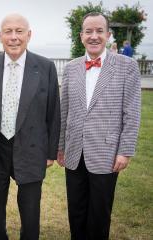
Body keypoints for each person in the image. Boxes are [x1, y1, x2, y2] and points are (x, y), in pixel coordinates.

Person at [0, 13, 60, 240]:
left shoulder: (46, 67)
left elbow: (53, 112)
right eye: (8, 32)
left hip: (31, 148)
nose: (13, 37)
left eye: (19, 31)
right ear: (0, 36)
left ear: (28, 35)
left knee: (31, 212)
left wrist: (50, 152)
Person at [57, 12, 141, 240]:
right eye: (89, 31)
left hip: (107, 152)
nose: (94, 36)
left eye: (99, 31)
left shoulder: (127, 66)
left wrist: (125, 151)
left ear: (108, 35)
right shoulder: (72, 67)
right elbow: (64, 111)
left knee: (99, 213)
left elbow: (131, 113)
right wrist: (60, 147)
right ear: (81, 36)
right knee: (76, 211)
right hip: (74, 153)